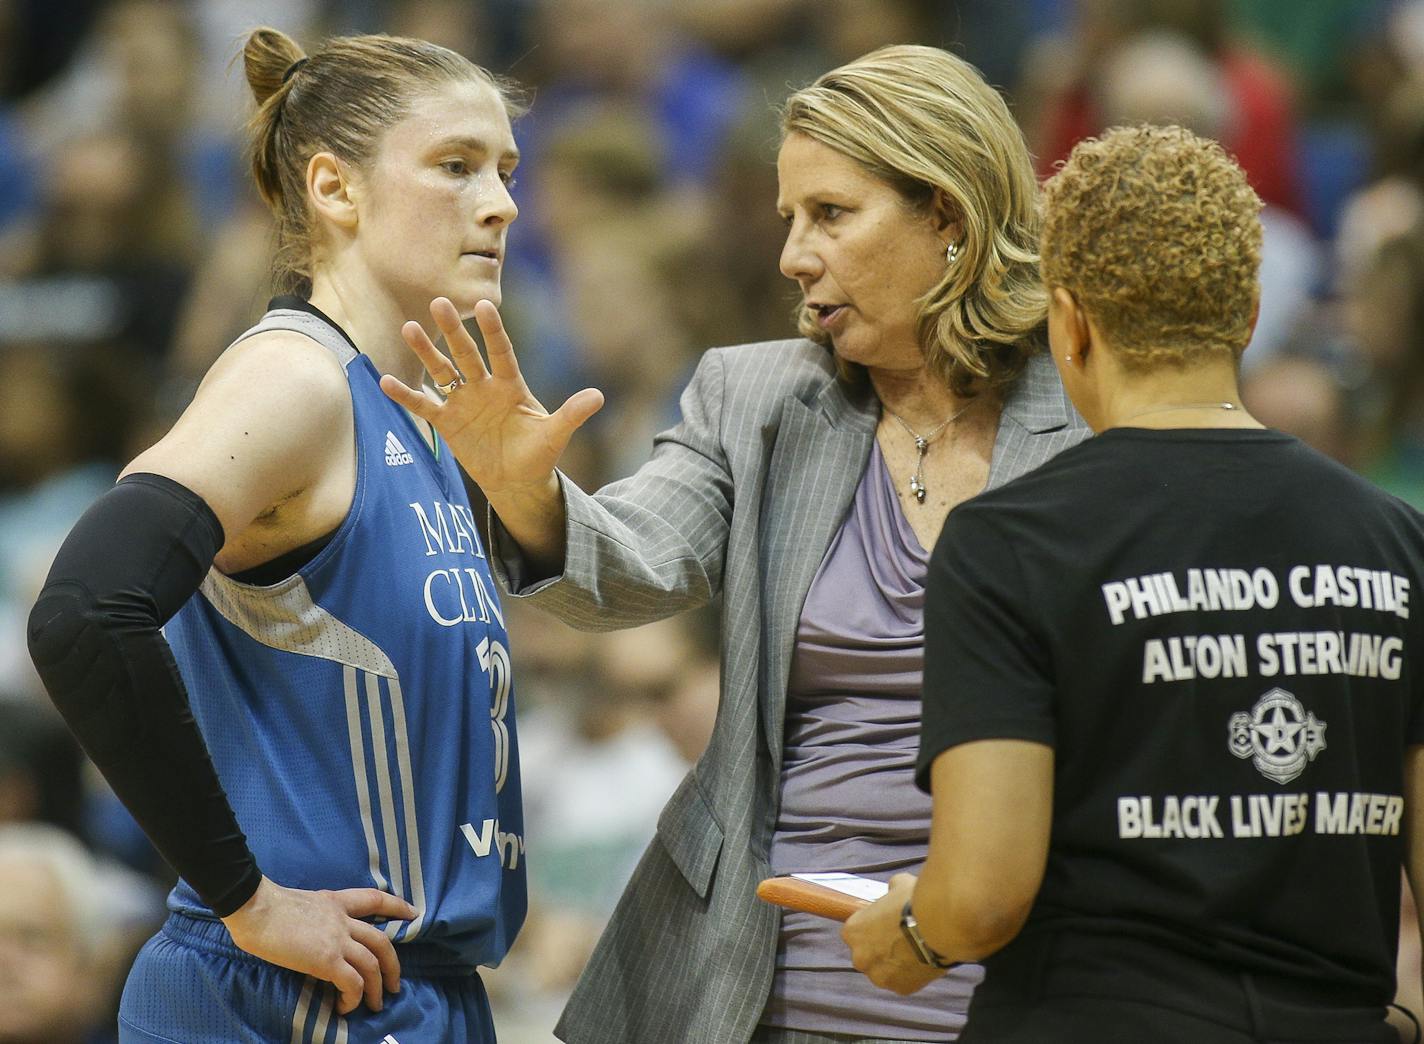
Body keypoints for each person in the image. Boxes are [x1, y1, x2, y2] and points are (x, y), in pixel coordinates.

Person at [381, 44, 1087, 1044]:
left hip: (1020, 964)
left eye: (831, 215)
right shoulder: (755, 399)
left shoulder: (1087, 418)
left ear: (947, 215)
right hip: (770, 973)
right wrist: (520, 488)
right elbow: (630, 562)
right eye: (789, 220)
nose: (795, 255)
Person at [842, 124, 1424, 1044]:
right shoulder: (1398, 542)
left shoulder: (1007, 542)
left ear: (1068, 323)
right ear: (1247, 311)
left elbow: (983, 894)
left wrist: (914, 932)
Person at [27, 28, 531, 1042]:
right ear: (336, 190)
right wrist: (244, 896)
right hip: (291, 996)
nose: (502, 202)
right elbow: (85, 612)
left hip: (407, 989)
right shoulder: (293, 381)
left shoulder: (417, 409)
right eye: (456, 166)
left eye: (507, 170)